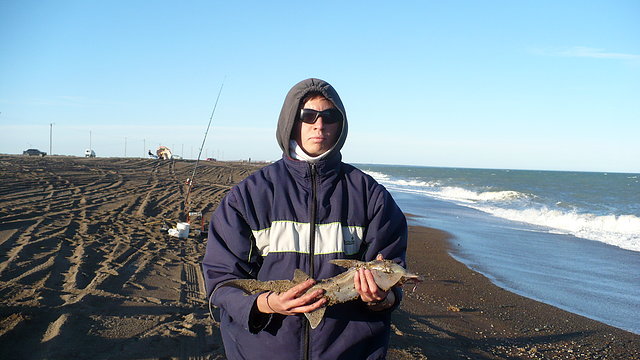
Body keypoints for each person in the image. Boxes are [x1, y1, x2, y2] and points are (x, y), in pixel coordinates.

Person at [202, 78, 408, 359]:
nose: (319, 125)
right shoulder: (248, 195)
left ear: (341, 124)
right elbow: (222, 282)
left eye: (330, 116)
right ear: (290, 121)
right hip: (262, 349)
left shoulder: (372, 197)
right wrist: (267, 304)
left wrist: (382, 298)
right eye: (307, 115)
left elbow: (393, 276)